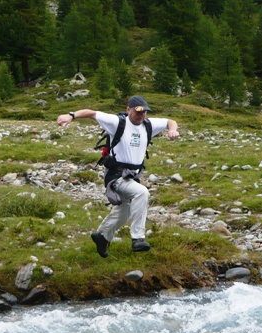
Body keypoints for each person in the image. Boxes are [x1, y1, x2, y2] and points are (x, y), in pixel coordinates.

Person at [56, 95, 180, 257]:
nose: (141, 116)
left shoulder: (148, 125)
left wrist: (172, 130)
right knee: (142, 193)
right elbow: (92, 113)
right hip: (116, 176)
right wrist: (71, 115)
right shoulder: (117, 122)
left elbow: (170, 121)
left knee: (125, 209)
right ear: (129, 110)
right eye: (138, 112)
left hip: (133, 176)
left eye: (144, 113)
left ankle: (102, 236)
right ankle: (138, 238)